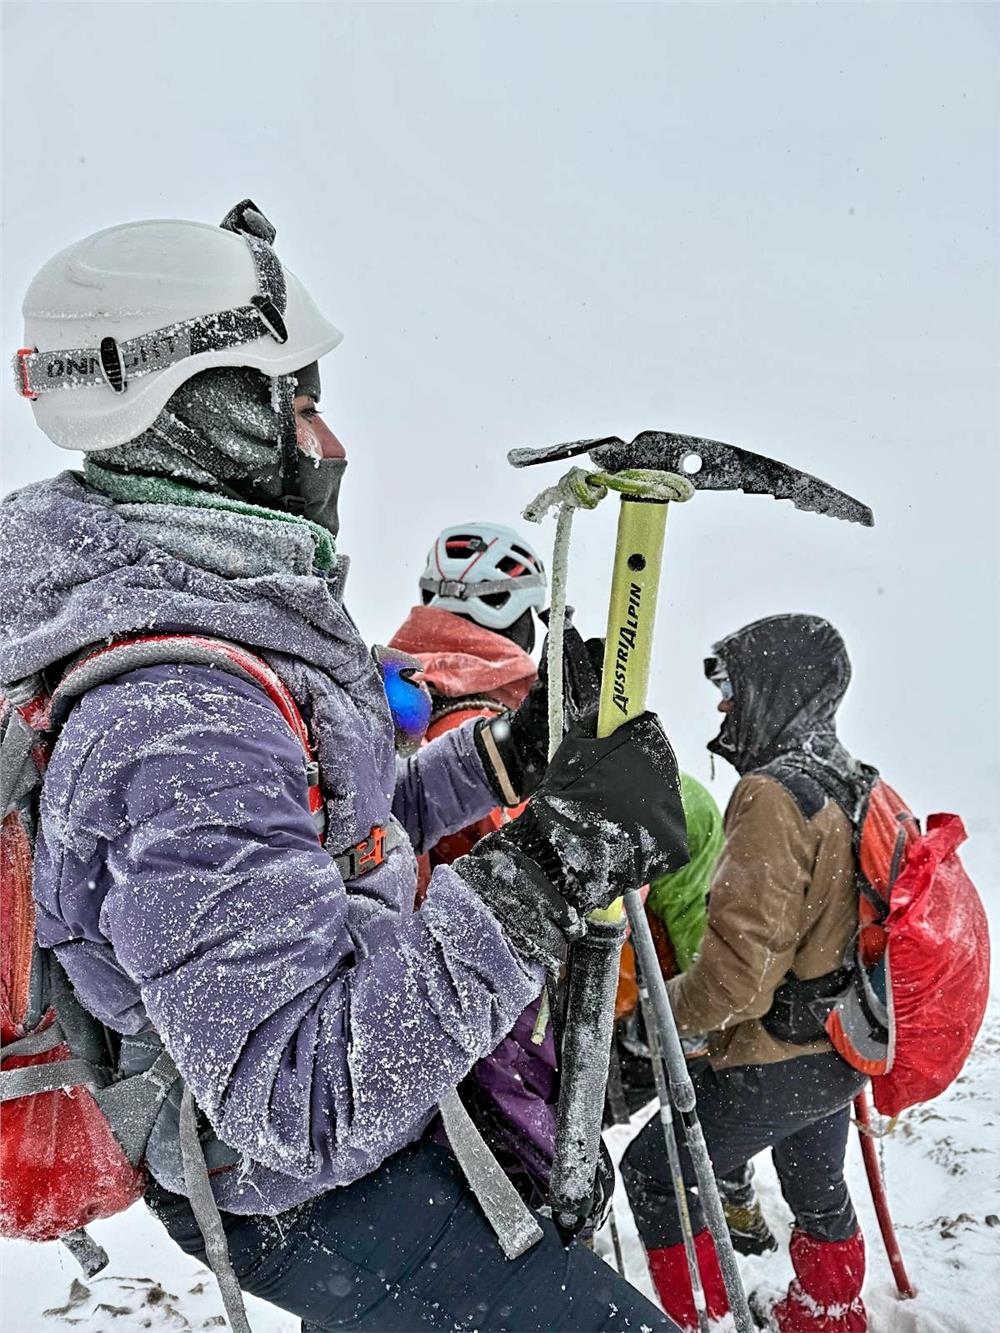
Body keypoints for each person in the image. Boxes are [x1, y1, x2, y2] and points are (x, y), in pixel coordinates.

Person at [2, 200, 689, 1332]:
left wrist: (501, 768)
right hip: (315, 1195)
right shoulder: (178, 721)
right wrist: (535, 881)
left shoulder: (212, 624)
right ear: (209, 413)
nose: (331, 442)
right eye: (301, 401)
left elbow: (333, 839)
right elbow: (301, 1096)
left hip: (365, 1136)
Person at [620, 614, 872, 1333]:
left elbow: (739, 978)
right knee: (817, 1184)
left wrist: (654, 1019)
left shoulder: (772, 793)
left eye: (733, 683)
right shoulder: (848, 782)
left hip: (781, 1050)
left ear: (775, 687)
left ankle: (702, 1318)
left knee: (655, 1174)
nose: (724, 703)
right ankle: (830, 1314)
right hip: (842, 1042)